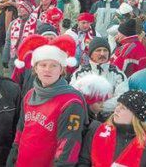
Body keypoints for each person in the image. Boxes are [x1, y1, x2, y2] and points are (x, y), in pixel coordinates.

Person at [7, 34, 87, 166]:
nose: (47, 70)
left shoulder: (71, 102)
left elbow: (69, 144)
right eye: (43, 65)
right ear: (35, 68)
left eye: (53, 65)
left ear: (61, 69)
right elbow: (21, 129)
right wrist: (14, 154)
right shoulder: (29, 95)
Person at [78, 90, 146, 166]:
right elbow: (83, 162)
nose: (117, 109)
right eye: (118, 105)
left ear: (135, 116)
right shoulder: (96, 130)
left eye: (123, 108)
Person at [71, 37, 128, 121]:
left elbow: (123, 97)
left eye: (105, 50)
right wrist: (90, 106)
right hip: (85, 118)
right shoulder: (81, 73)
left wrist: (101, 106)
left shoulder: (117, 73)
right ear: (91, 54)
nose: (102, 53)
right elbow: (74, 95)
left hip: (110, 120)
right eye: (98, 50)